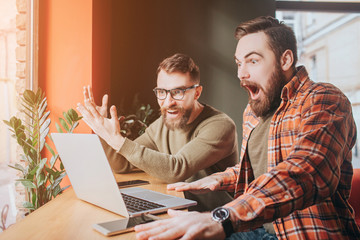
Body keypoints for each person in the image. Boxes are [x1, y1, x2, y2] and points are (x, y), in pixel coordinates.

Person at [134, 16, 360, 240]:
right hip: (259, 229)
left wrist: (224, 216)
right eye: (238, 63)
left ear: (285, 60)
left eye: (252, 61)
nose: (241, 74)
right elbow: (264, 170)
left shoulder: (324, 99)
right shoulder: (253, 111)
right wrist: (222, 178)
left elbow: (307, 171)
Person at [76, 53, 239, 212]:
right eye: (162, 92)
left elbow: (177, 169)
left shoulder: (220, 126)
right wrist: (103, 131)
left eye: (178, 92)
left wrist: (117, 140)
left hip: (217, 220)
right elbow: (122, 163)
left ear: (197, 92)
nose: (168, 102)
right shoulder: (162, 124)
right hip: (180, 210)